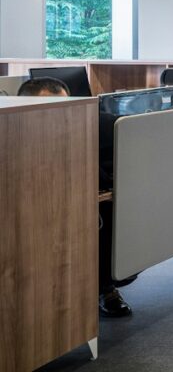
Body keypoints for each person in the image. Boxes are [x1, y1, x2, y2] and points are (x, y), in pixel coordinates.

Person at [18, 77, 136, 317]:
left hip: (79, 207)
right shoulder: (15, 140)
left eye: (66, 106)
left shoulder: (83, 129)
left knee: (110, 216)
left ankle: (104, 288)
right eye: (50, 108)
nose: (61, 115)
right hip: (29, 215)